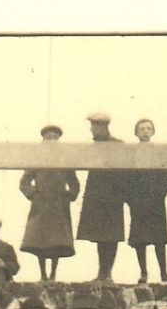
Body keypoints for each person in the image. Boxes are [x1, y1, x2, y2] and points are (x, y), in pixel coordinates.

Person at [19, 125, 80, 281]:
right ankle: (43, 274)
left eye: (55, 137)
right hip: (41, 204)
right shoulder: (36, 160)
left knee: (57, 242)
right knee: (39, 242)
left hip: (59, 205)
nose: (51, 140)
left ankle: (53, 273)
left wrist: (69, 196)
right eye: (48, 137)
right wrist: (34, 194)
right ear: (43, 140)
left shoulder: (65, 160)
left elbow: (74, 182)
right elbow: (24, 182)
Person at [120, 117, 167, 285]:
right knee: (140, 239)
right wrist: (130, 198)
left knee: (159, 238)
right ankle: (143, 273)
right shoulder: (131, 153)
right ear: (136, 132)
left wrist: (161, 193)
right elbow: (126, 177)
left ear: (153, 132)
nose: (145, 131)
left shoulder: (159, 152)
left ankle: (164, 272)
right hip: (138, 201)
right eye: (142, 129)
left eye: (148, 128)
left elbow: (166, 174)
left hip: (156, 200)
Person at [77, 113, 127, 282]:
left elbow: (124, 171)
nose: (91, 130)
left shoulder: (118, 145)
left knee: (111, 236)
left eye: (93, 126)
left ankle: (107, 273)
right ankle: (102, 273)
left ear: (102, 127)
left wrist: (121, 192)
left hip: (112, 197)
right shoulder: (93, 147)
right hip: (97, 196)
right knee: (100, 236)